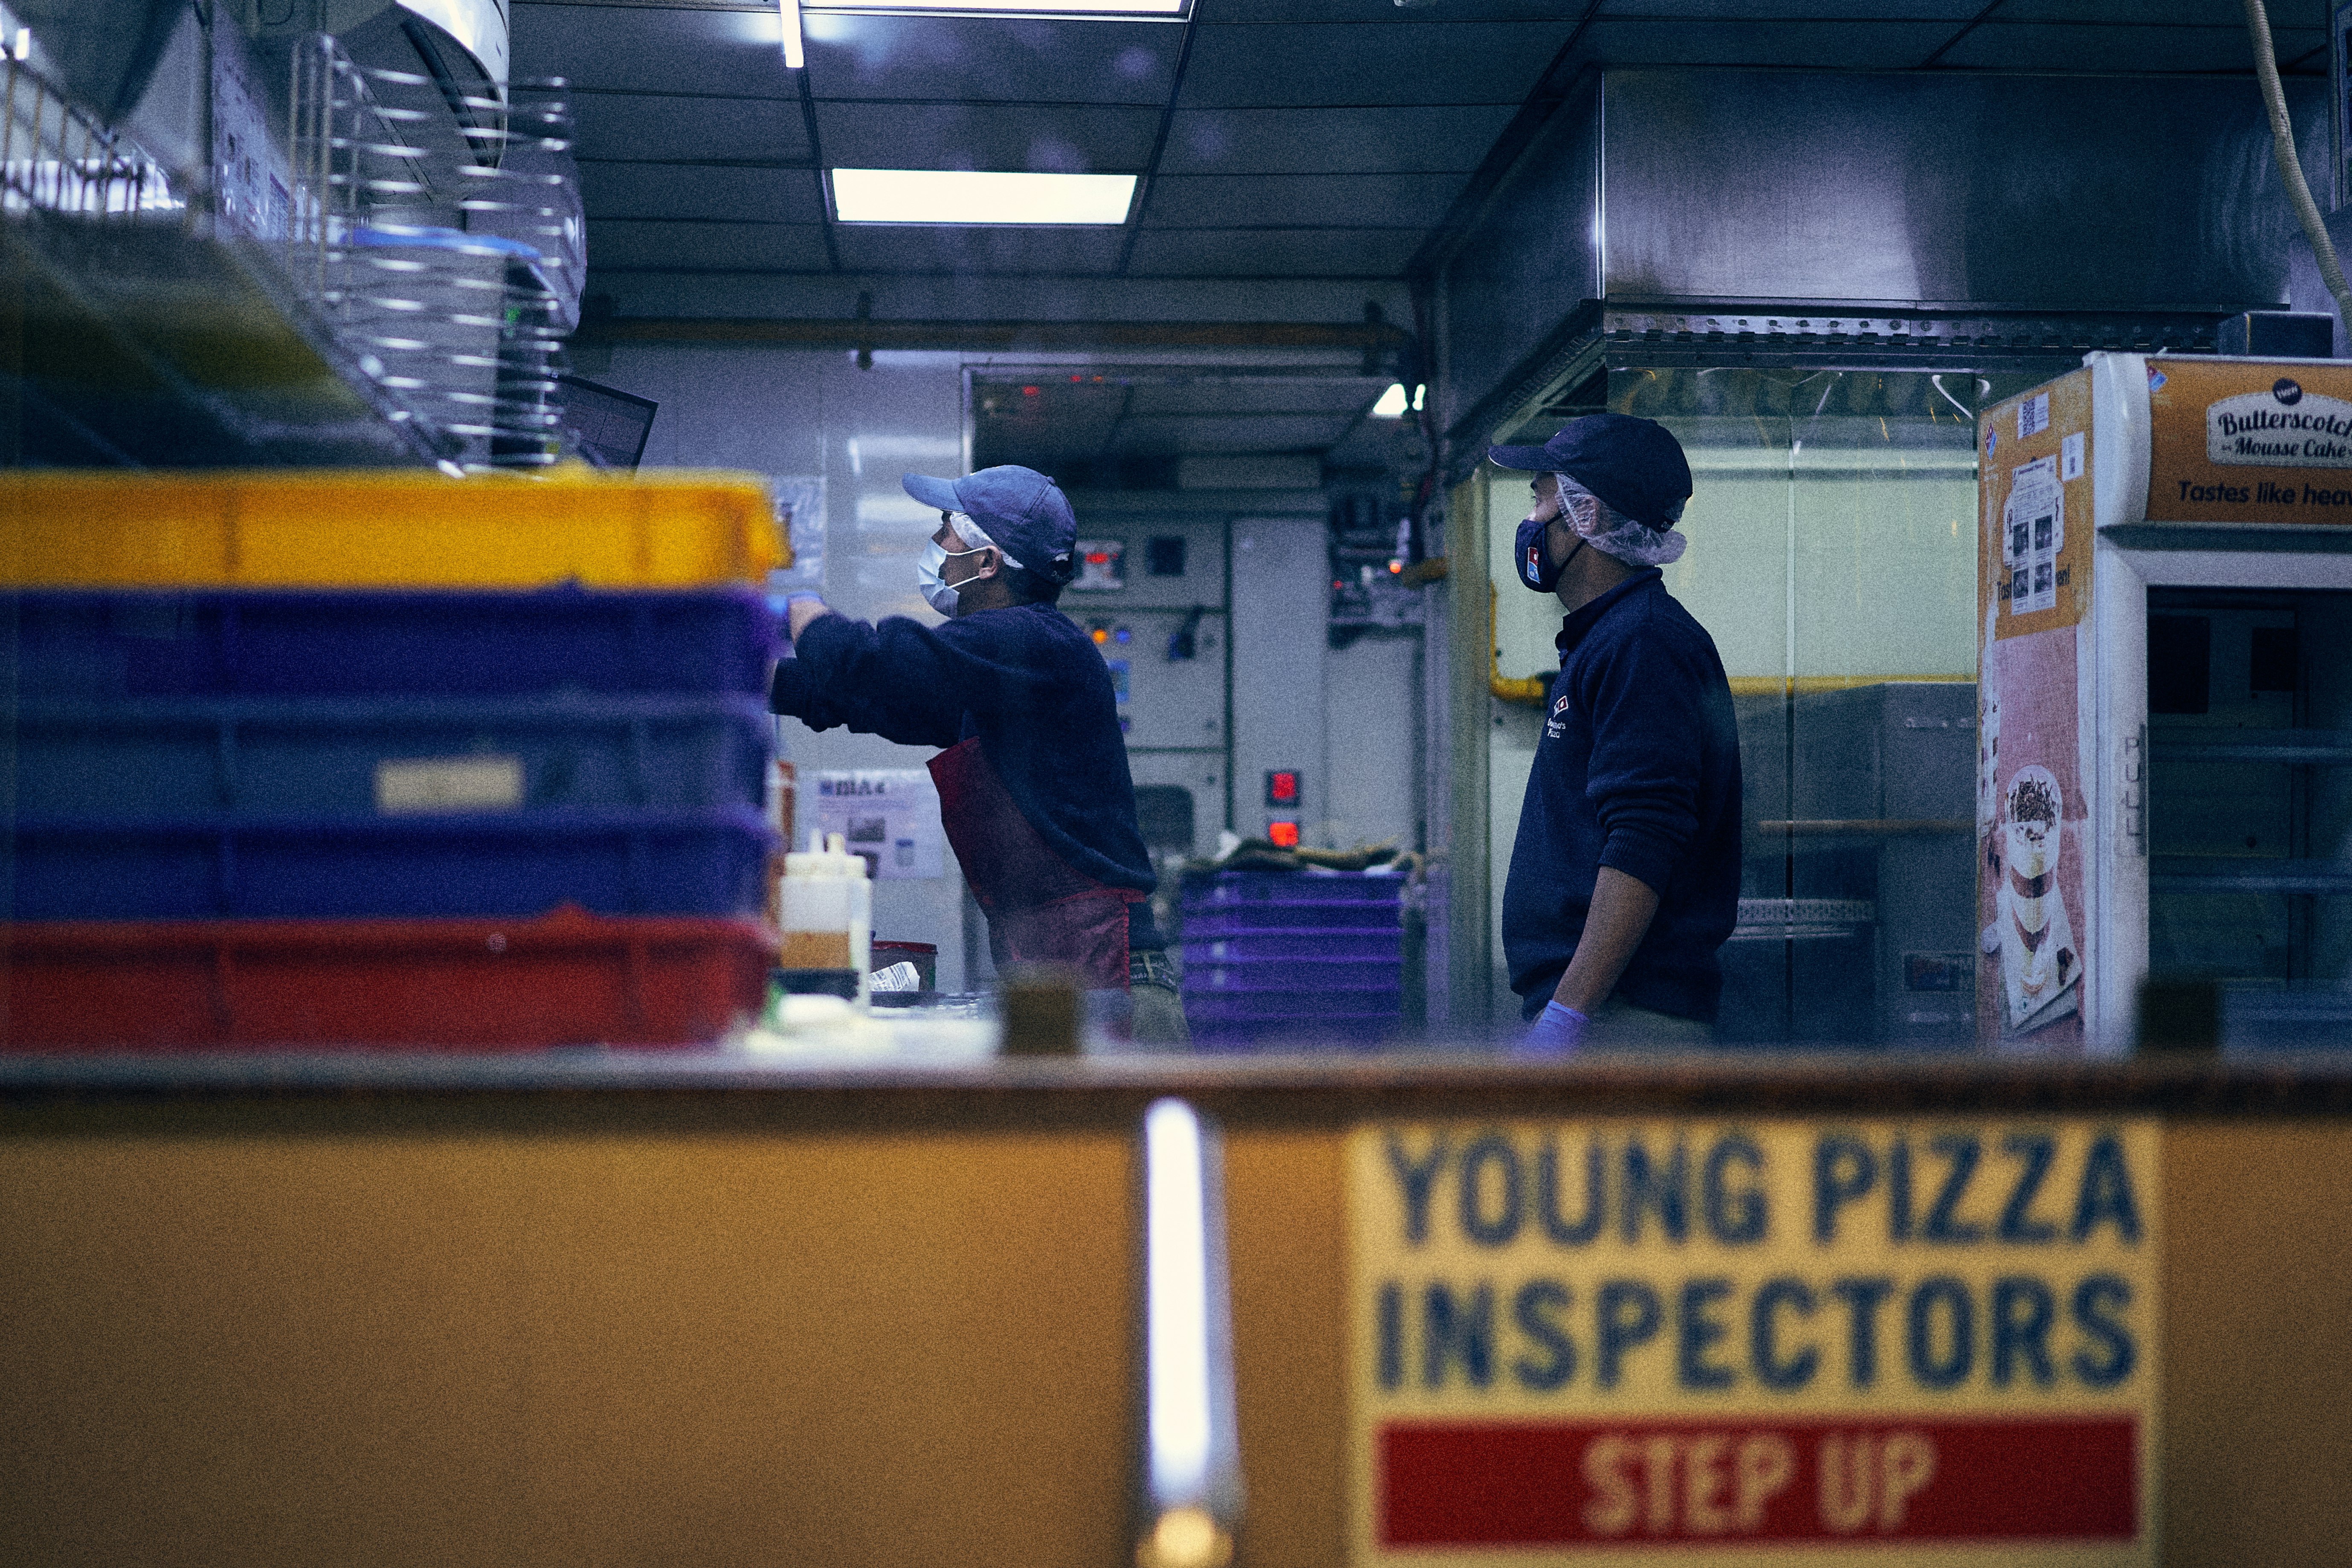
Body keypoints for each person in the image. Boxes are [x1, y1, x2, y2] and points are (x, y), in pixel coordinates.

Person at [769, 464, 1188, 1045]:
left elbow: (876, 662)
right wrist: (760, 677)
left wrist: (803, 614)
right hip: (1068, 981)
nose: (938, 546)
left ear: (988, 562)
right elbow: (876, 700)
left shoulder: (1036, 639)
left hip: (1117, 987)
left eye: (948, 529)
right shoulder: (1000, 673)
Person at [1490, 414, 1741, 1053]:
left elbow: (1643, 841)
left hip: (1623, 1025)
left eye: (1542, 495)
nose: (1533, 517)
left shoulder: (1645, 643)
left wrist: (1567, 1018)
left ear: (1588, 516)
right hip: (1605, 1017)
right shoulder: (1610, 639)